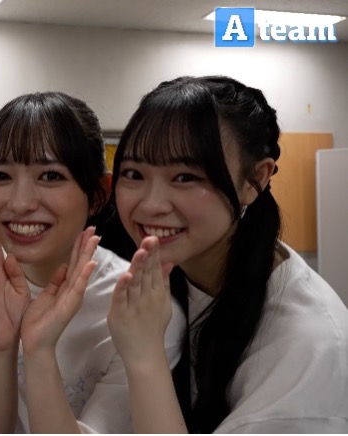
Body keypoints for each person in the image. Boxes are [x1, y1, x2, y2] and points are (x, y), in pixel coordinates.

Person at [105, 75, 348, 433]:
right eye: (133, 173)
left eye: (185, 177)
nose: (151, 204)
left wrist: (145, 357)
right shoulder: (159, 280)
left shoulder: (309, 343)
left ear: (255, 179)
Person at [0, 91, 185, 433]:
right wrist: (0, 348)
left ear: (98, 194)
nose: (21, 203)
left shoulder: (141, 309)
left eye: (51, 176)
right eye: (0, 176)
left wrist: (40, 351)